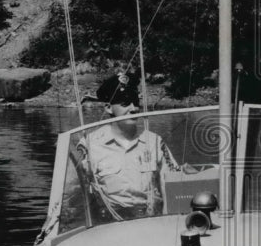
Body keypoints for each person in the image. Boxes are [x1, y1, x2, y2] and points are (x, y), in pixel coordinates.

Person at [76, 72, 182, 221]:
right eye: (125, 104)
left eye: (135, 102)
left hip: (152, 222)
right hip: (109, 226)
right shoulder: (89, 145)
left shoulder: (155, 142)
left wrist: (166, 223)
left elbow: (172, 187)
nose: (134, 108)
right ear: (108, 108)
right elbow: (74, 195)